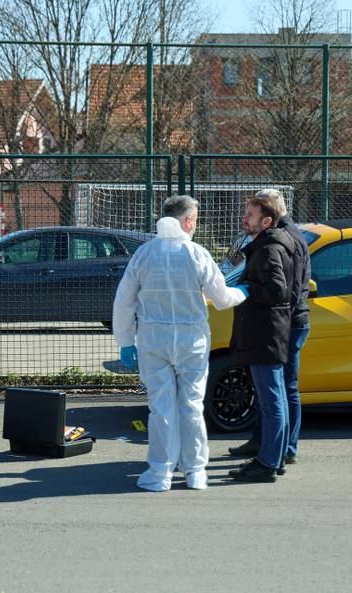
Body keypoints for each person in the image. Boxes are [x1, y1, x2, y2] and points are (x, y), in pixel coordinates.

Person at [113, 195, 248, 492]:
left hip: (153, 338)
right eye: (195, 220)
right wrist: (243, 292)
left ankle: (160, 472)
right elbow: (222, 298)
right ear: (188, 221)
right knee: (192, 405)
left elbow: (124, 302)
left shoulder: (144, 254)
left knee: (161, 407)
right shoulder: (197, 254)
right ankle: (195, 471)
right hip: (192, 339)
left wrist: (125, 341)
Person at [228, 189, 311, 470]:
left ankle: (279, 453)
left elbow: (284, 289)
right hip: (280, 323)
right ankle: (269, 448)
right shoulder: (275, 239)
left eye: (250, 213)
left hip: (283, 324)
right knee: (274, 392)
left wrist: (248, 290)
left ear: (268, 217)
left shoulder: (279, 242)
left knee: (280, 391)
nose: (244, 218)